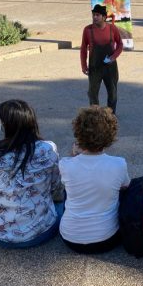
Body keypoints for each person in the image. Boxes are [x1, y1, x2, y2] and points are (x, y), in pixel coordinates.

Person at [0, 100, 64, 248]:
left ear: (6, 125)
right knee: (62, 203)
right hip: (36, 235)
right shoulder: (48, 148)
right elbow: (56, 185)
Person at [59, 106, 130, 254]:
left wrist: (74, 157)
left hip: (70, 238)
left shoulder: (65, 164)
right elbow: (126, 186)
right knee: (119, 188)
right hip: (107, 238)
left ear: (78, 134)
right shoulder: (119, 163)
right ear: (110, 136)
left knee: (70, 189)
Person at [80, 4, 124, 113]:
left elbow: (120, 45)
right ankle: (95, 116)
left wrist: (113, 57)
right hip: (95, 68)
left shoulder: (112, 29)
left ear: (104, 17)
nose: (95, 17)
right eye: (94, 15)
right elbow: (83, 49)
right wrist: (84, 66)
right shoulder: (87, 30)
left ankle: (111, 115)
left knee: (112, 93)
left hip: (110, 68)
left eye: (97, 15)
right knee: (92, 93)